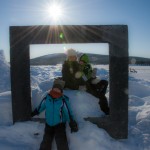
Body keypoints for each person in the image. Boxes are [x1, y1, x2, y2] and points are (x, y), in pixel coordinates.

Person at [31, 79, 78, 150]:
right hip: (49, 124)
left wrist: (72, 123)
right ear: (52, 89)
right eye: (55, 89)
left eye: (58, 89)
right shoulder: (47, 98)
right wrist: (35, 112)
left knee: (61, 141)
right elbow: (41, 106)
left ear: (61, 91)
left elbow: (68, 112)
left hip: (60, 124)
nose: (56, 91)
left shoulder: (63, 100)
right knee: (46, 140)